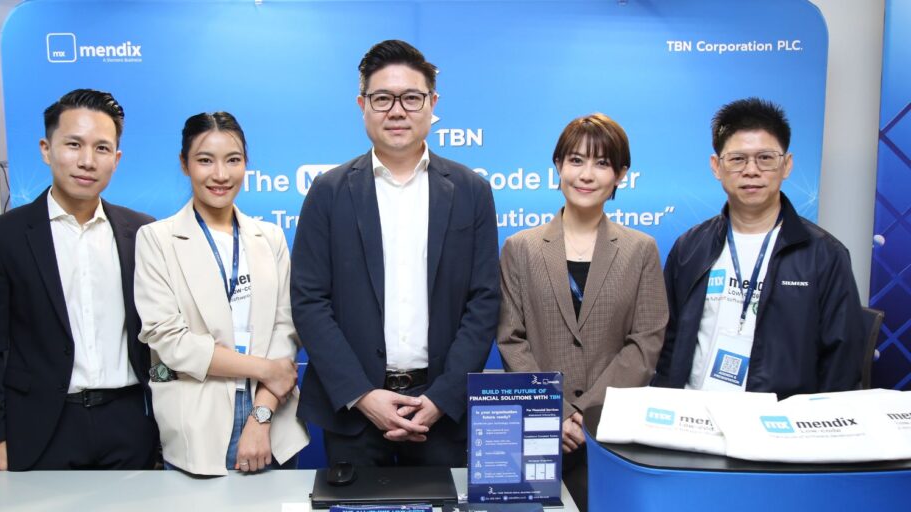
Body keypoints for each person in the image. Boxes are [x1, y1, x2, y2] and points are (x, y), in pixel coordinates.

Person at [291, 39, 500, 468]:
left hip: (441, 414)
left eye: (411, 98)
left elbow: (484, 302)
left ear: (432, 103)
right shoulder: (328, 192)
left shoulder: (471, 191)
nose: (397, 111)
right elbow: (309, 301)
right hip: (354, 414)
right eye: (383, 98)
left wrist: (443, 397)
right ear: (362, 105)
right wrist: (362, 395)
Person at [0, 89, 158, 470]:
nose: (87, 161)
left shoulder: (142, 232)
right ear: (46, 149)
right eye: (73, 144)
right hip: (39, 428)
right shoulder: (1, 236)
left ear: (116, 159)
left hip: (129, 424)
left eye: (102, 148)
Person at [497, 113, 668, 510]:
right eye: (576, 160)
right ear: (558, 166)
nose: (586, 174)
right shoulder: (520, 248)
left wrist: (585, 413)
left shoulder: (641, 250)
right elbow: (510, 338)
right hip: (537, 432)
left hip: (610, 434)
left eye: (602, 163)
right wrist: (552, 412)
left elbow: (645, 343)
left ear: (620, 175)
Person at [134, 112, 308, 475]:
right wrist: (265, 369)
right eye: (205, 160)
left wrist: (261, 415)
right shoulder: (157, 240)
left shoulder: (270, 237)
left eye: (233, 160)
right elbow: (171, 341)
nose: (220, 174)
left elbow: (286, 328)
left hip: (273, 417)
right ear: (184, 164)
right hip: (197, 422)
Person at [654, 97, 864, 395]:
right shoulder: (689, 248)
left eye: (765, 158)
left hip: (778, 419)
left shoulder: (824, 254)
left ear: (786, 165)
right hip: (694, 413)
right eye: (737, 159)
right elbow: (668, 342)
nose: (751, 170)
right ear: (716, 166)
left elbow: (841, 363)